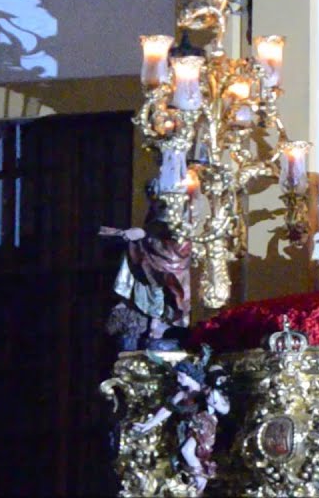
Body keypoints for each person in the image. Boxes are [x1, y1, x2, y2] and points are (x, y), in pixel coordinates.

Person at [101, 186, 193, 350]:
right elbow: (150, 235)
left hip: (169, 267)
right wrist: (139, 236)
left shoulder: (180, 226)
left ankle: (159, 322)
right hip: (149, 276)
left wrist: (143, 236)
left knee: (164, 293)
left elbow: (176, 247)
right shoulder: (154, 222)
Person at [133, 351, 229, 495]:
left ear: (190, 376)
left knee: (187, 451)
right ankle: (193, 483)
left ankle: (201, 478)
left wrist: (215, 399)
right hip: (186, 428)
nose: (178, 380)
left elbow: (224, 409)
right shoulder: (182, 394)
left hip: (203, 426)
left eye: (181, 376)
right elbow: (167, 409)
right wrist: (149, 424)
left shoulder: (205, 392)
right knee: (180, 456)